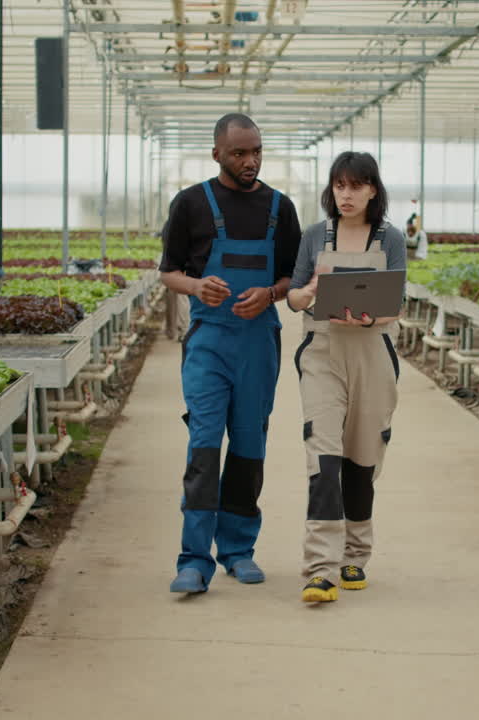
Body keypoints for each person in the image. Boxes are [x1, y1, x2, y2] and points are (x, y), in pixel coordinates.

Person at [159, 113, 302, 595]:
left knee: (248, 446)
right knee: (203, 445)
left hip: (258, 343)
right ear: (217, 152)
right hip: (209, 343)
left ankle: (239, 551)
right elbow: (168, 273)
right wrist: (198, 286)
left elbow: (292, 278)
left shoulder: (280, 208)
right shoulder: (191, 204)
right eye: (239, 152)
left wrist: (271, 293)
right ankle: (194, 558)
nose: (250, 160)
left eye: (256, 151)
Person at [285, 151, 407, 603]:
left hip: (372, 351)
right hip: (323, 351)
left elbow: (398, 301)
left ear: (373, 189)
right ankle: (320, 568)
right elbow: (294, 297)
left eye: (356, 185)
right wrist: (311, 290)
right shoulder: (315, 236)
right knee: (324, 455)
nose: (346, 194)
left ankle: (355, 553)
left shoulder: (390, 238)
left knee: (363, 455)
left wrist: (372, 317)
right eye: (339, 185)